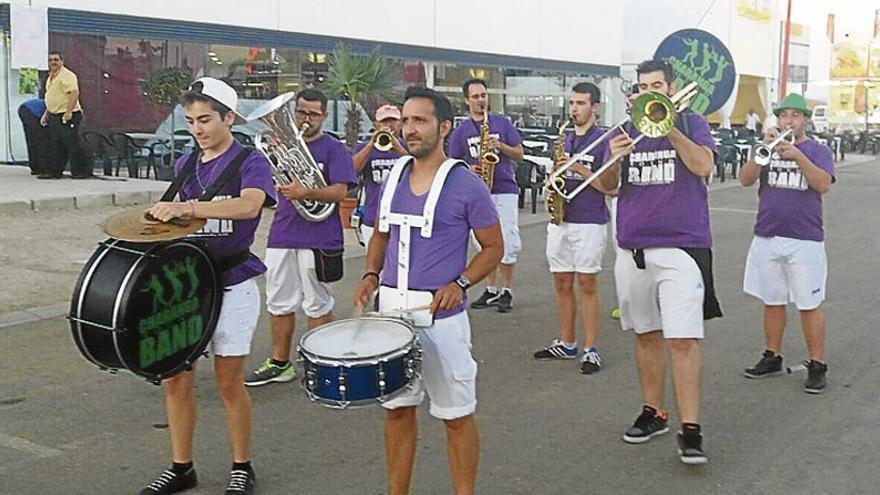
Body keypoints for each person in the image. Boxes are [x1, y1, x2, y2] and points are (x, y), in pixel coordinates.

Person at [353, 86, 502, 495]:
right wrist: (369, 274)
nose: (409, 128)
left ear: (444, 126)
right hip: (392, 317)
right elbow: (381, 233)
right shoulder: (394, 177)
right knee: (398, 413)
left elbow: (494, 248)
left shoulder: (467, 185)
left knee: (456, 416)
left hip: (442, 321)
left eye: (420, 120)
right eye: (406, 120)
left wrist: (461, 283)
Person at [140, 77, 277, 495]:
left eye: (205, 120)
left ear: (228, 118)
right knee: (176, 380)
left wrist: (189, 206)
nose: (197, 129)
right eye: (191, 120)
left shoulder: (250, 161)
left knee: (227, 383)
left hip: (233, 283)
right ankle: (182, 467)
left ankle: (241, 466)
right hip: (187, 286)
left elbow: (250, 204)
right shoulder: (186, 165)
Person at [598, 59, 721, 465]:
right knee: (646, 334)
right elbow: (607, 187)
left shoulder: (691, 122)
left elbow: (704, 166)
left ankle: (692, 428)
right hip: (633, 248)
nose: (650, 91)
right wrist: (613, 160)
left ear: (671, 88)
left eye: (657, 85)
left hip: (682, 247)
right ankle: (654, 412)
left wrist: (670, 132)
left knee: (682, 339)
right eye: (644, 86)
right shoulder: (623, 132)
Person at [244, 88, 357, 386]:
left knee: (316, 302)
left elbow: (341, 192)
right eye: (302, 112)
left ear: (324, 116)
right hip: (283, 233)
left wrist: (307, 192)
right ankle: (280, 363)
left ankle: (322, 361)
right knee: (278, 301)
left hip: (319, 236)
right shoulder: (279, 146)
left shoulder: (334, 149)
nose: (307, 119)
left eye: (314, 114)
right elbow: (269, 188)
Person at [739, 93, 834, 394]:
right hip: (767, 233)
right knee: (772, 300)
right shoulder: (768, 147)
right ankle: (772, 355)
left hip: (804, 238)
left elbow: (823, 184)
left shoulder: (818, 150)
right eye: (784, 115)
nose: (788, 121)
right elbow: (744, 179)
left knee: (809, 303)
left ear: (805, 120)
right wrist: (760, 150)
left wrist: (798, 156)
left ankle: (817, 363)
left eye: (795, 115)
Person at [534, 82, 614, 374]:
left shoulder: (604, 139)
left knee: (587, 284)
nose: (574, 109)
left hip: (590, 220)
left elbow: (610, 188)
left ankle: (591, 349)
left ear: (594, 106)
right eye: (572, 103)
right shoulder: (564, 138)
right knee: (561, 283)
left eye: (581, 103)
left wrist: (579, 169)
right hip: (561, 218)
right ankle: (567, 342)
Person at [447, 78, 524, 313]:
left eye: (483, 95)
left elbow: (519, 153)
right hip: (477, 192)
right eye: (475, 96)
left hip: (504, 188)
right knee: (484, 243)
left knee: (508, 241)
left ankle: (506, 290)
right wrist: (468, 168)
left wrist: (500, 147)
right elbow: (451, 161)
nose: (481, 100)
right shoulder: (461, 131)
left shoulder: (502, 123)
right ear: (466, 100)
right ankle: (491, 290)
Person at [351, 104, 407, 245]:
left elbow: (419, 168)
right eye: (384, 121)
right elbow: (352, 171)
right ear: (376, 124)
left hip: (401, 217)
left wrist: (399, 149)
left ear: (400, 123)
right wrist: (371, 144)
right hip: (373, 217)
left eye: (393, 120)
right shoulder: (364, 147)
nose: (389, 125)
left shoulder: (407, 146)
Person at [39, 51, 92, 179]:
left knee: (72, 143)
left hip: (69, 114)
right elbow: (52, 97)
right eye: (50, 60)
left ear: (62, 61)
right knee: (56, 144)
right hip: (55, 114)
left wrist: (68, 112)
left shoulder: (67, 75)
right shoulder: (51, 77)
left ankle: (81, 172)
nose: (53, 62)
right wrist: (46, 114)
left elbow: (74, 93)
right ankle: (54, 172)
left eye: (56, 60)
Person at [18, 98, 48, 175]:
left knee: (32, 140)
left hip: (25, 108)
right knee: (38, 140)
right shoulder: (54, 105)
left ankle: (35, 167)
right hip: (30, 112)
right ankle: (39, 167)